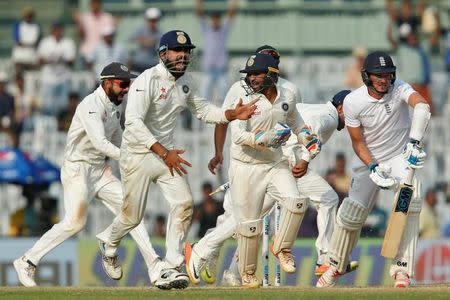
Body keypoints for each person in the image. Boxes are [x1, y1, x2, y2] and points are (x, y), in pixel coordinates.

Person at [95, 30, 258, 290]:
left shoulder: (187, 82)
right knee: (132, 217)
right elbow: (133, 123)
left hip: (165, 154)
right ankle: (108, 241)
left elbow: (204, 110)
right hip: (137, 154)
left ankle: (172, 265)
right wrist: (163, 152)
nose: (183, 56)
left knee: (183, 203)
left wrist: (231, 114)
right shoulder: (146, 80)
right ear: (163, 54)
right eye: (177, 51)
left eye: (186, 52)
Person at [185, 87, 359, 286]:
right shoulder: (328, 116)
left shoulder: (315, 107)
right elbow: (311, 128)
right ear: (340, 108)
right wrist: (305, 159)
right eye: (352, 110)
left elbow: (291, 118)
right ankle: (325, 258)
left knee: (251, 218)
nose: (356, 116)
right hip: (285, 164)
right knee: (328, 198)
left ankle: (222, 264)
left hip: (274, 161)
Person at [13, 62, 164, 288]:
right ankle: (27, 261)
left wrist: (142, 155)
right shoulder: (90, 105)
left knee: (133, 208)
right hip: (77, 169)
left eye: (128, 84)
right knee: (75, 222)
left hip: (99, 170)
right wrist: (128, 158)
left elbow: (118, 140)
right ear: (107, 83)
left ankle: (153, 266)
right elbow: (101, 143)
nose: (126, 88)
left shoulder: (115, 107)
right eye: (122, 84)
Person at [185, 52, 311, 288]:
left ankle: (281, 248)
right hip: (245, 166)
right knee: (246, 223)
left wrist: (308, 144)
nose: (251, 79)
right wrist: (221, 151)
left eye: (256, 74)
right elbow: (234, 129)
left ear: (272, 73)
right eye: (249, 74)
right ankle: (228, 264)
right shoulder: (241, 92)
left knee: (296, 201)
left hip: (274, 163)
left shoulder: (289, 93)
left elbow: (296, 123)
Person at [316, 51, 431, 288]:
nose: (384, 80)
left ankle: (402, 270)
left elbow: (421, 106)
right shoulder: (353, 101)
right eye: (378, 76)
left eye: (388, 75)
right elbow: (358, 142)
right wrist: (372, 166)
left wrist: (414, 143)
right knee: (351, 213)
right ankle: (336, 265)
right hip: (369, 160)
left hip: (400, 157)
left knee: (412, 199)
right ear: (367, 76)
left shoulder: (399, 87)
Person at [196, 0, 238, 104]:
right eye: (214, 20)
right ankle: (203, 120)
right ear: (211, 21)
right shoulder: (206, 30)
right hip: (208, 70)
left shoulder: (224, 31)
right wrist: (198, 3)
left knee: (224, 97)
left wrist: (235, 2)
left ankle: (223, 119)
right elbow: (200, 15)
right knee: (204, 97)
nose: (215, 22)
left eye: (217, 20)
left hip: (221, 70)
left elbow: (231, 15)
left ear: (220, 21)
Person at [37, 21, 76, 116]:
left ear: (62, 30)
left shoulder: (68, 42)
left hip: (63, 77)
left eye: (59, 29)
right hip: (48, 78)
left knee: (63, 105)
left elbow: (71, 61)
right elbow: (40, 60)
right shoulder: (45, 42)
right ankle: (50, 126)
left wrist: (60, 59)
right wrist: (51, 60)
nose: (57, 31)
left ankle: (61, 126)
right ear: (51, 30)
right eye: (55, 29)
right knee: (48, 106)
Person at [74, 0, 114, 68]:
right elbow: (81, 36)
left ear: (100, 4)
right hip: (87, 52)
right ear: (90, 5)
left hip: (103, 53)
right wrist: (78, 23)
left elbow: (110, 35)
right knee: (86, 76)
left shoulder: (107, 17)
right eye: (94, 3)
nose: (95, 6)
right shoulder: (85, 18)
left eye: (97, 3)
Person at [128, 7, 163, 73]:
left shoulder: (160, 33)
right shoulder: (139, 30)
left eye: (155, 20)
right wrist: (141, 40)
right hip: (138, 64)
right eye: (151, 20)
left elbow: (161, 50)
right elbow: (129, 41)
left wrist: (153, 43)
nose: (153, 22)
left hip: (153, 65)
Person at [11, 6, 41, 73]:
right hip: (19, 57)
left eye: (30, 15)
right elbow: (17, 41)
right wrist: (30, 45)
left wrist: (26, 44)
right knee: (19, 77)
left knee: (32, 77)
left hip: (33, 57)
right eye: (27, 15)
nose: (28, 17)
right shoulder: (18, 25)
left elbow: (38, 42)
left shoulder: (37, 26)